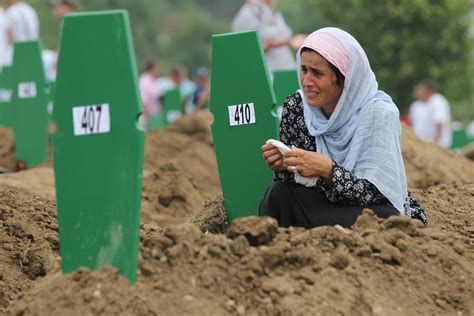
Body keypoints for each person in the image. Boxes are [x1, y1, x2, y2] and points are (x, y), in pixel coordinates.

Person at [260, 27, 427, 229]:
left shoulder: (378, 113)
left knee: (388, 219)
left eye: (317, 73)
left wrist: (329, 171)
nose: (306, 82)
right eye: (304, 70)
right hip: (318, 206)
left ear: (344, 78)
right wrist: (284, 165)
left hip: (363, 211)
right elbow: (296, 185)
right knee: (278, 193)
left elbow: (379, 196)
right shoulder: (297, 106)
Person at [231, 0, 305, 74]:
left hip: (286, 68)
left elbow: (284, 35)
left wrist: (296, 41)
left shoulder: (273, 11)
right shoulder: (248, 14)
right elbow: (247, 49)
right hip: (267, 72)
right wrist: (286, 42)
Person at [409, 80, 452, 148]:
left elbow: (439, 122)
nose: (417, 92)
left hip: (438, 145)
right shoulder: (415, 105)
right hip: (421, 144)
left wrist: (436, 141)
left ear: (429, 91)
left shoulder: (437, 101)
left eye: (420, 90)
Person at [3, 0, 39, 65]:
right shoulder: (30, 10)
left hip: (17, 53)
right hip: (32, 52)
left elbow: (9, 38)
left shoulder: (11, 11)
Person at [139, 60, 161, 127]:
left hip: (151, 117)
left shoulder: (150, 80)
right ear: (152, 69)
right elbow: (143, 100)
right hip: (145, 116)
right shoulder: (145, 81)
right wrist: (146, 115)